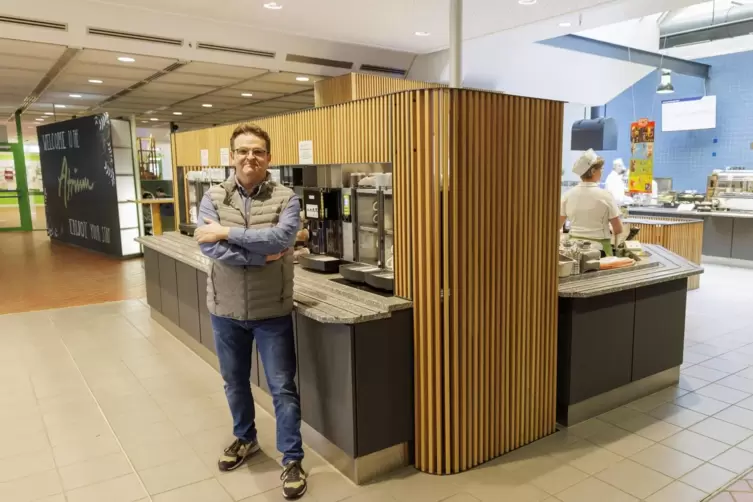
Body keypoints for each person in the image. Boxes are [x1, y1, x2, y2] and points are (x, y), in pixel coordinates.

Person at [193, 123, 307, 500]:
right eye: (242, 151)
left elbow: (282, 238)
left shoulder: (286, 198)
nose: (249, 157)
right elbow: (206, 245)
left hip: (271, 310)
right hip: (224, 309)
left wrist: (226, 233)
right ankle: (246, 439)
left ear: (268, 158)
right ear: (232, 157)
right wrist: (259, 257)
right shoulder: (213, 196)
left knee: (282, 389)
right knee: (234, 382)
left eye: (257, 151)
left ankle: (292, 458)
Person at [560, 149, 624, 256]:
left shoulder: (567, 195)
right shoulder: (605, 196)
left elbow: (557, 224)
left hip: (573, 250)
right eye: (601, 169)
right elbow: (618, 229)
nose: (602, 172)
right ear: (593, 171)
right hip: (600, 250)